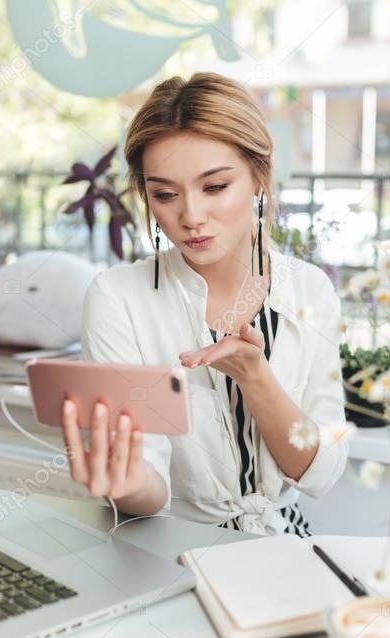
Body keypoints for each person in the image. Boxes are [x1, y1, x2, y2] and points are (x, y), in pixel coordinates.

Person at [60, 72, 348, 536]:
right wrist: (128, 484)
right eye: (165, 195)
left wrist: (256, 378)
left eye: (214, 187)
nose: (190, 216)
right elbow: (147, 490)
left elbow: (319, 471)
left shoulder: (310, 291)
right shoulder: (118, 298)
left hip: (279, 548)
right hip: (168, 548)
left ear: (259, 178)